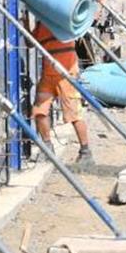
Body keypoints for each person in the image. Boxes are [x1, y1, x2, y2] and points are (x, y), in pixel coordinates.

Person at [30, 19, 93, 166]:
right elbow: (30, 42)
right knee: (39, 111)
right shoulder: (42, 22)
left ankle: (85, 151)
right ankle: (47, 147)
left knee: (74, 114)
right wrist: (26, 23)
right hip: (48, 74)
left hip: (66, 74)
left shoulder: (61, 16)